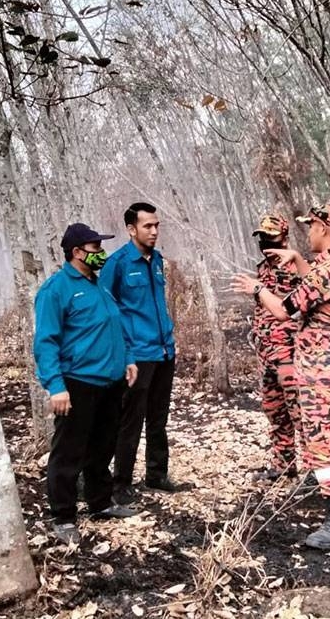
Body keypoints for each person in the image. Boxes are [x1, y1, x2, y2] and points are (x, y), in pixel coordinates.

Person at [232, 202, 330, 549]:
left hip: (321, 365)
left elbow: (285, 310)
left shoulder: (328, 267)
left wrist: (257, 289)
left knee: (322, 437)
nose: (308, 232)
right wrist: (299, 261)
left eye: (312, 226)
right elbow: (319, 287)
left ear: (325, 229)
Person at [33, 223, 140, 545]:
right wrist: (55, 386)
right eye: (95, 248)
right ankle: (63, 517)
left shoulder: (99, 286)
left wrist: (129, 358)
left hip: (110, 382)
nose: (101, 253)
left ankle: (100, 502)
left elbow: (115, 327)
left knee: (102, 446)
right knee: (68, 452)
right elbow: (46, 342)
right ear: (77, 252)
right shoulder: (56, 290)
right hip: (77, 383)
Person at [100, 202, 192, 505]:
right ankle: (120, 484)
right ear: (131, 229)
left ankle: (156, 474)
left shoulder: (156, 260)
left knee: (158, 417)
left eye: (156, 225)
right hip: (137, 355)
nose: (154, 231)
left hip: (164, 350)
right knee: (131, 419)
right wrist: (122, 352)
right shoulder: (117, 264)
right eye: (147, 226)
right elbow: (106, 310)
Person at [249, 213, 302, 480]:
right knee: (275, 411)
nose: (265, 241)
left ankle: (320, 472)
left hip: (290, 353)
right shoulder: (263, 268)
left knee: (300, 412)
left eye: (271, 236)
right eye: (262, 236)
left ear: (284, 236)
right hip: (267, 350)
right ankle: (284, 467)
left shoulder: (295, 267)